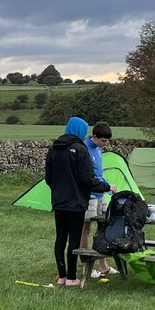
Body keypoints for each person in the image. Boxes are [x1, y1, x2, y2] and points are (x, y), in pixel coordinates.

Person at [45, 117, 110, 286]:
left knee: (60, 238)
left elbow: (48, 178)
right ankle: (72, 278)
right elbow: (87, 179)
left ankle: (62, 276)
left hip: (58, 201)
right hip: (76, 203)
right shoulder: (81, 150)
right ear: (80, 131)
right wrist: (106, 187)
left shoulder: (53, 149)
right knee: (74, 240)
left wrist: (58, 190)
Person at [80, 121, 119, 280]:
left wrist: (108, 186)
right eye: (103, 141)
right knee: (85, 229)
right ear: (94, 136)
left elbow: (99, 173)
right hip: (89, 196)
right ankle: (86, 267)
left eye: (107, 141)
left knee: (103, 227)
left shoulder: (98, 149)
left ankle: (103, 266)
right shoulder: (84, 149)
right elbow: (88, 177)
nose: (106, 144)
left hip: (100, 194)